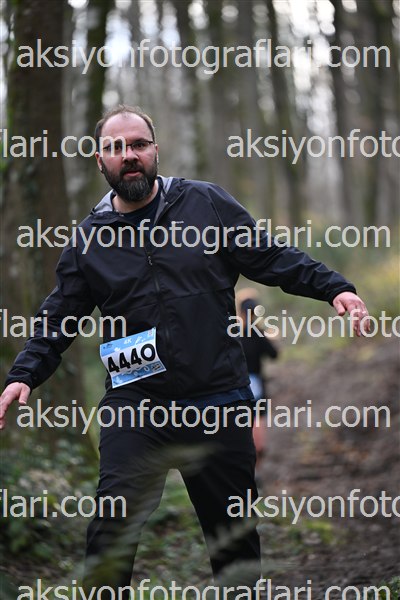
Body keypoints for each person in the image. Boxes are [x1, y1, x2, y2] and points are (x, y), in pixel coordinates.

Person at [0, 105, 370, 597]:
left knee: (234, 544)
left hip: (217, 399)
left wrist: (334, 288)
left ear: (155, 150)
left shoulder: (204, 204)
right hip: (135, 408)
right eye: (116, 147)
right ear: (99, 159)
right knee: (110, 532)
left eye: (139, 144)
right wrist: (23, 375)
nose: (129, 155)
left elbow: (270, 256)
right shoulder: (88, 241)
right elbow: (59, 316)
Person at [236, 289, 279, 462]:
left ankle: (249, 455)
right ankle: (258, 452)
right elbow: (274, 354)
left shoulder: (234, 332)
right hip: (255, 380)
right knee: (258, 416)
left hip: (238, 382)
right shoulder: (257, 332)